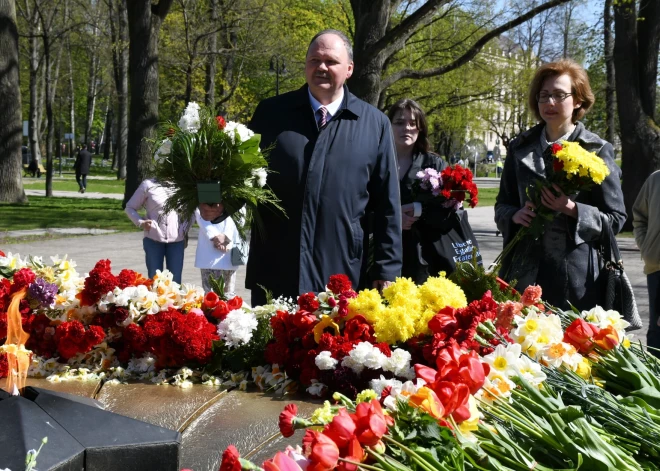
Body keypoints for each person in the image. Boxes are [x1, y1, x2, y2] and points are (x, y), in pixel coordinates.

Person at [199, 29, 402, 306]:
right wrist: (218, 204)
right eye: (314, 60)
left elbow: (387, 204)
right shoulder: (271, 114)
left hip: (340, 271)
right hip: (276, 269)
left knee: (332, 349)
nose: (321, 67)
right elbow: (241, 176)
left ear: (349, 69)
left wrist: (387, 267)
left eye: (330, 61)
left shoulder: (374, 124)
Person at [494, 59, 626, 311]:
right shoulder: (519, 147)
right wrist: (514, 215)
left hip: (576, 284)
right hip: (521, 277)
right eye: (544, 95)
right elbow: (502, 205)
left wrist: (573, 209)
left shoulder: (596, 150)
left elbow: (617, 218)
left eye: (558, 95)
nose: (549, 102)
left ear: (577, 100)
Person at [388, 99, 449, 282]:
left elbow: (452, 210)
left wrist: (418, 209)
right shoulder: (376, 163)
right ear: (388, 126)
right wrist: (393, 218)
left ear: (420, 128)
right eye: (399, 122)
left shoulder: (434, 164)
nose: (406, 128)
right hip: (384, 256)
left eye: (412, 123)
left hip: (426, 260)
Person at [125, 178, 189, 284]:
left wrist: (184, 228)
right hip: (153, 239)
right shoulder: (148, 184)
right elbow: (130, 207)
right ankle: (154, 300)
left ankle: (174, 301)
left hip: (177, 241)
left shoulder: (183, 185)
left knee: (175, 281)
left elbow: (192, 211)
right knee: (155, 280)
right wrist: (140, 222)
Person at [633, 170, 660, 357]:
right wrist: (647, 249)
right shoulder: (656, 179)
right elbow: (639, 217)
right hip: (656, 267)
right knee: (656, 331)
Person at [194, 208, 241, 297]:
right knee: (209, 298)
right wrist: (213, 235)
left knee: (229, 297)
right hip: (208, 249)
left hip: (229, 247)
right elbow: (199, 211)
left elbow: (240, 213)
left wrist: (226, 236)